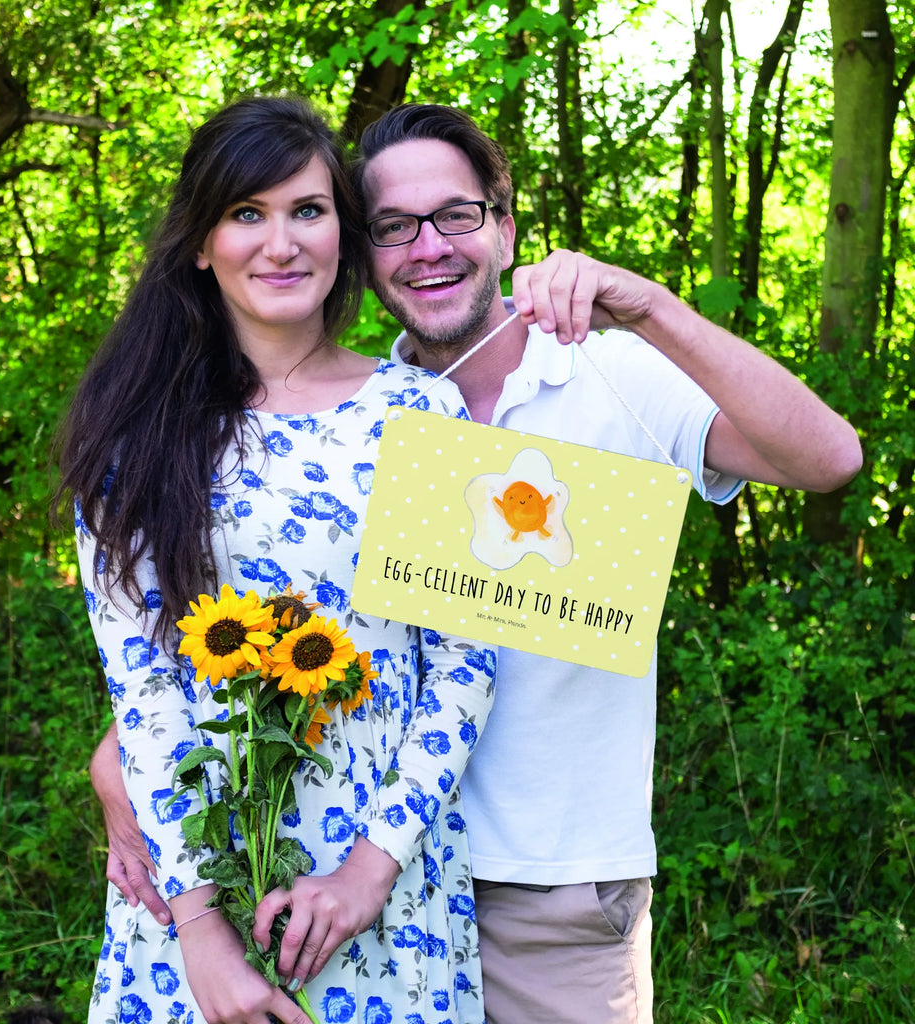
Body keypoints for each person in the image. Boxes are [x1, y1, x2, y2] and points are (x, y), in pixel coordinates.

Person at [92, 102, 863, 1024]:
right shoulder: (348, 415)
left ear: (503, 226)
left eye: (455, 215)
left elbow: (829, 461)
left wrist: (651, 306)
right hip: (319, 876)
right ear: (365, 251)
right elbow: (227, 632)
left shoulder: (601, 372)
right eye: (393, 227)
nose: (427, 247)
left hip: (544, 887)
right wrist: (126, 769)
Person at [56, 96, 500, 1024]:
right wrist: (203, 937)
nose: (281, 242)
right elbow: (144, 693)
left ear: (343, 229)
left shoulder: (423, 414)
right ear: (199, 243)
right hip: (194, 887)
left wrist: (368, 872)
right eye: (246, 214)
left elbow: (464, 665)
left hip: (383, 887)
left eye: (308, 210)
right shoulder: (134, 438)